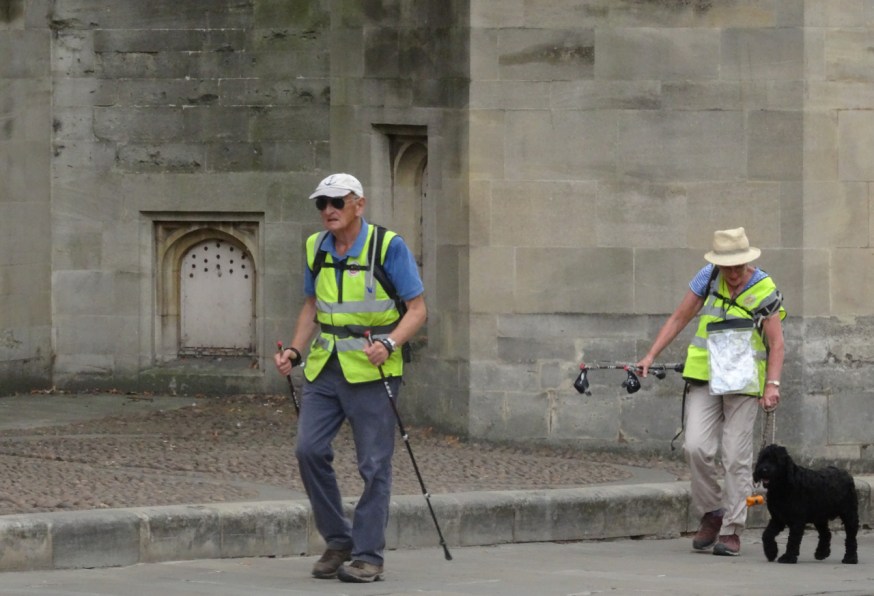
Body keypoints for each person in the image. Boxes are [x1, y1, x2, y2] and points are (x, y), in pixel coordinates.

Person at [274, 173, 427, 583]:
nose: (328, 211)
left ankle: (368, 556)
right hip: (325, 369)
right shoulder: (315, 246)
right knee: (308, 451)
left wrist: (391, 344)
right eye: (321, 204)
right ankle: (338, 540)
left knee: (374, 465)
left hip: (374, 370)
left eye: (337, 202)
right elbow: (312, 305)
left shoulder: (388, 246)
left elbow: (417, 310)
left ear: (359, 204)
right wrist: (294, 349)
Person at [635, 227, 785, 557]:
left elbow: (776, 344)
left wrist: (772, 384)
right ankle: (712, 511)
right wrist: (651, 355)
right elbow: (679, 317)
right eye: (726, 267)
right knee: (695, 447)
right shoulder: (707, 276)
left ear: (748, 261)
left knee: (735, 456)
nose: (732, 274)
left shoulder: (763, 288)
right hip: (705, 377)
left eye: (738, 267)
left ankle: (732, 529)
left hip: (744, 383)